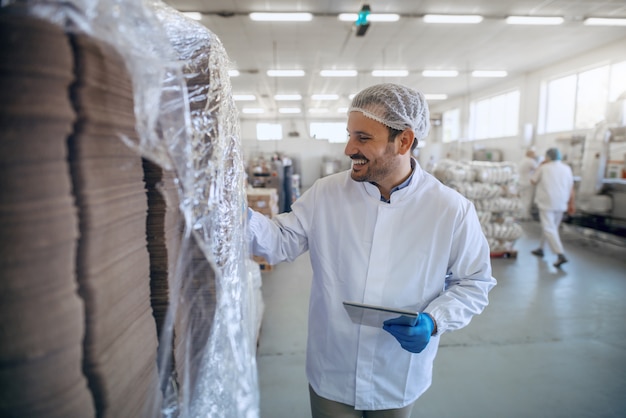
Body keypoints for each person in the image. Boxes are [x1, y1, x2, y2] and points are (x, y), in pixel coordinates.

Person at [247, 83, 496, 418]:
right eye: (349, 135)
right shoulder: (326, 194)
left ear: (404, 141)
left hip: (397, 372)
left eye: (363, 138)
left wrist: (435, 320)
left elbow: (475, 282)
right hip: (332, 368)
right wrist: (234, 212)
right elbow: (278, 241)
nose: (349, 148)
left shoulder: (450, 209)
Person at [530, 147, 575, 268]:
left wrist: (540, 165)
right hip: (561, 203)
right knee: (552, 228)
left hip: (547, 202)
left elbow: (533, 181)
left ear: (547, 157)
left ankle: (560, 254)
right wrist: (572, 203)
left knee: (549, 228)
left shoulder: (544, 168)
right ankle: (541, 248)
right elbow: (571, 187)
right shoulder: (567, 168)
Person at [517, 148, 538, 220]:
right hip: (528, 183)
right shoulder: (531, 161)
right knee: (528, 200)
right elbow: (537, 170)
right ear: (530, 154)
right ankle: (525, 215)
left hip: (521, 182)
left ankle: (521, 214)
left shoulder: (522, 160)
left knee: (522, 199)